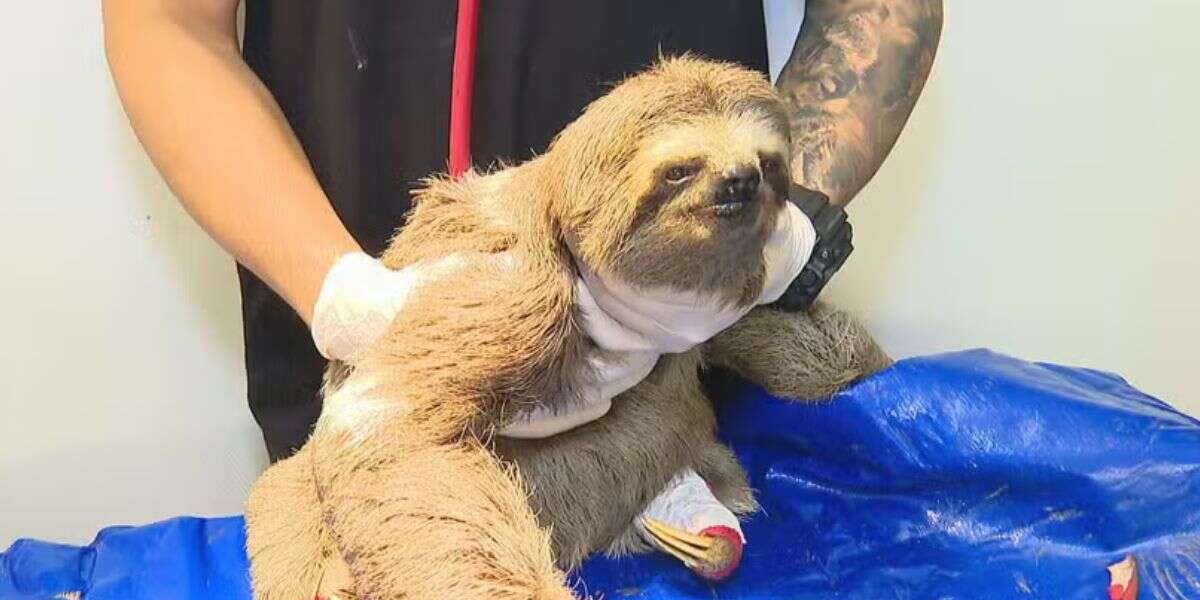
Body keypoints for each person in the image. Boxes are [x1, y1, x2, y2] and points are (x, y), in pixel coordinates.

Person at [102, 0, 942, 462]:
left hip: (690, 416)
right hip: (373, 424)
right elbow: (168, 23)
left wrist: (776, 230)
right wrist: (348, 299)